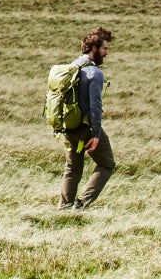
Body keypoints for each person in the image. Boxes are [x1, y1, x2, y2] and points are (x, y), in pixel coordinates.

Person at [60, 25, 114, 209]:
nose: (106, 53)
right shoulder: (95, 73)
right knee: (107, 164)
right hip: (86, 129)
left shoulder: (72, 66)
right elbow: (95, 107)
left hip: (68, 126)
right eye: (104, 48)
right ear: (94, 48)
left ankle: (64, 207)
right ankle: (81, 203)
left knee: (73, 169)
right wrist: (96, 134)